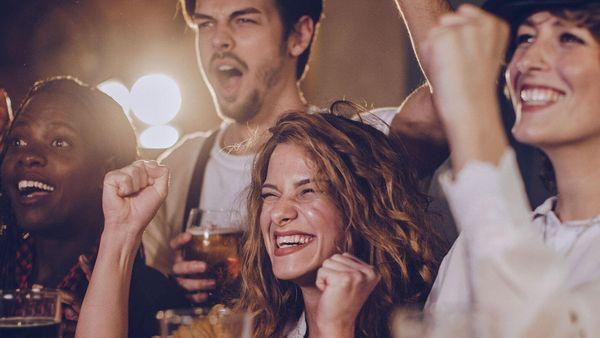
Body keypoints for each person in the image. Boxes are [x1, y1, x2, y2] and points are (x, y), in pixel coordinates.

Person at [144, 0, 450, 305]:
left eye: (244, 20)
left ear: (299, 36)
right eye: (206, 23)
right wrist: (168, 284)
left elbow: (455, 99)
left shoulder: (353, 144)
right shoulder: (179, 165)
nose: (218, 39)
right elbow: (141, 304)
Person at [77, 108, 444, 338]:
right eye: (270, 194)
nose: (279, 213)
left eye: (308, 191)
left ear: (363, 207)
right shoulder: (244, 328)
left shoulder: (426, 325)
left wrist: (335, 328)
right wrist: (121, 232)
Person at [417, 0, 600, 336]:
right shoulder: (471, 248)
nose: (527, 60)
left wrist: (472, 111)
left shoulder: (489, 232)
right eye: (525, 38)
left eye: (569, 38)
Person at [0, 76, 187, 338]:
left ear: (107, 170)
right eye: (17, 141)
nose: (27, 156)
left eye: (59, 142)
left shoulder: (153, 301)